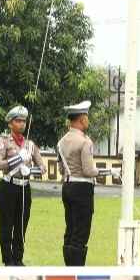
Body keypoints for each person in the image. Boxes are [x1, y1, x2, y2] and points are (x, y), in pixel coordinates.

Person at [0, 106, 45, 266]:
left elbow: (42, 167)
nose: (22, 124)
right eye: (18, 121)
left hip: (24, 187)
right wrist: (17, 160)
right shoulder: (3, 141)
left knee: (22, 225)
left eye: (23, 121)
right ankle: (8, 260)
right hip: (8, 187)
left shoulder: (30, 144)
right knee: (7, 225)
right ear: (10, 123)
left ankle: (18, 258)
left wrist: (31, 170)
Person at [58, 101, 97, 266]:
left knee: (70, 229)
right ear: (81, 119)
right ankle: (77, 267)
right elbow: (88, 170)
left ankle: (68, 266)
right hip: (82, 187)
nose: (87, 120)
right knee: (81, 232)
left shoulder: (62, 141)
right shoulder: (85, 142)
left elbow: (61, 169)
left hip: (67, 186)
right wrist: (100, 171)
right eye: (86, 117)